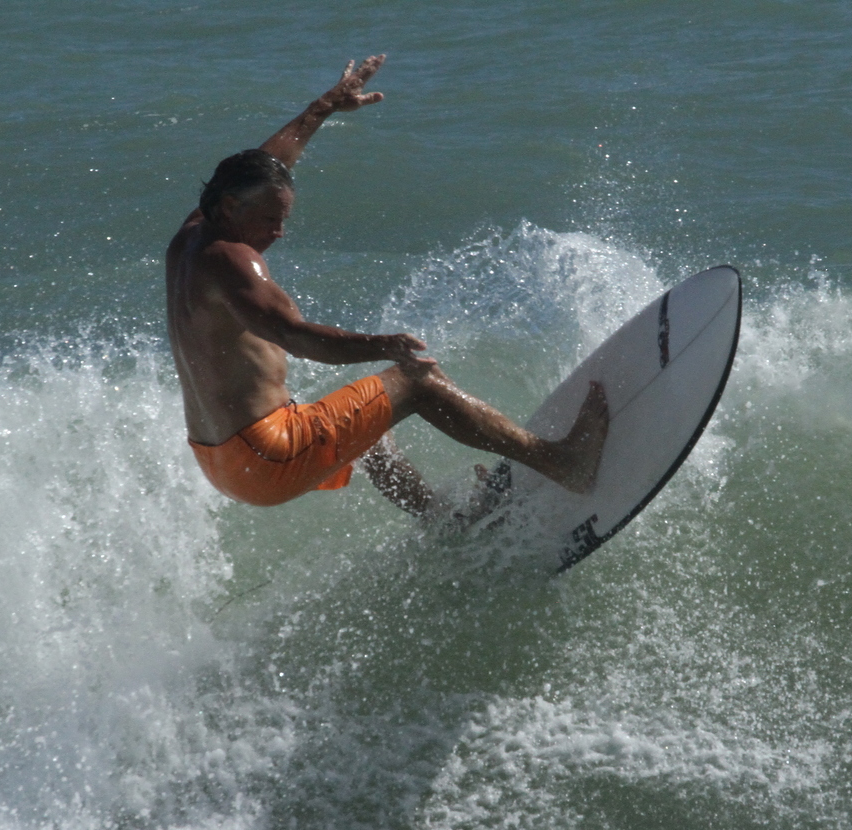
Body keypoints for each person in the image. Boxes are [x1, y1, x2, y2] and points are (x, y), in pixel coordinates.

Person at [166, 54, 608, 518]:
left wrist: (323, 107)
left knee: (369, 424)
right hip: (268, 452)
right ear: (233, 207)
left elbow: (267, 163)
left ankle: (442, 523)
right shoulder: (233, 262)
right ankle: (564, 464)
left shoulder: (192, 236)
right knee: (418, 382)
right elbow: (294, 336)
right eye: (270, 220)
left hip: (223, 462)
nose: (278, 233)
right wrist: (383, 346)